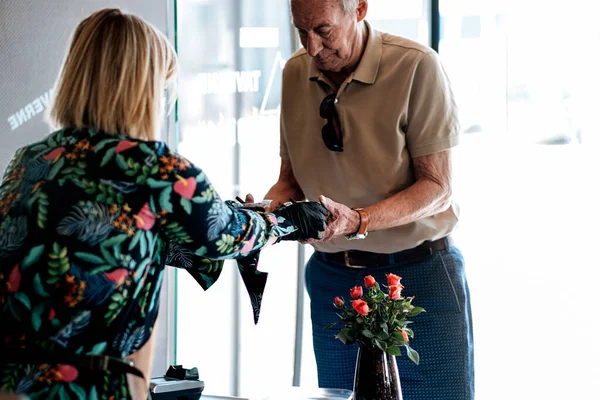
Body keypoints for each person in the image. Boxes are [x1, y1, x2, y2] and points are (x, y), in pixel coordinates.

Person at [0, 8, 327, 399]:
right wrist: (291, 221)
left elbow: (104, 238)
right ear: (142, 87)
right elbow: (228, 236)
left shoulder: (30, 160)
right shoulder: (156, 169)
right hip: (91, 387)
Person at [263, 0, 474, 398]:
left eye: (323, 31)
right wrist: (262, 215)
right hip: (333, 277)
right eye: (301, 31)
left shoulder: (416, 66)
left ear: (358, 9)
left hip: (418, 274)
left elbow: (437, 186)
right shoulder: (294, 72)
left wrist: (357, 220)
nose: (311, 48)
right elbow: (288, 180)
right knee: (342, 397)